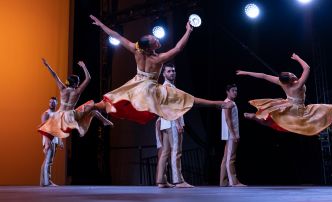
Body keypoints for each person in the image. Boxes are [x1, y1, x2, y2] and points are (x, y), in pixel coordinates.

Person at [89, 15, 233, 125]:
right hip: (149, 89)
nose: (157, 40)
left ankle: (91, 107)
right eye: (155, 42)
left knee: (114, 99)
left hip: (135, 85)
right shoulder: (158, 59)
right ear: (149, 48)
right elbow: (178, 48)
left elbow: (117, 36)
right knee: (185, 98)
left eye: (154, 38)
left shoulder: (136, 49)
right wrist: (188, 31)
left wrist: (101, 25)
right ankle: (217, 104)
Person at [236, 53, 332, 145]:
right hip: (298, 110)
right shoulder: (297, 85)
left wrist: (245, 72)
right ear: (289, 82)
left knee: (273, 121)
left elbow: (264, 76)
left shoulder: (282, 82)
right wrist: (297, 58)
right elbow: (307, 68)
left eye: (292, 74)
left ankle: (254, 117)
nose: (294, 75)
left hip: (287, 105)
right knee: (326, 116)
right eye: (292, 77)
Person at [38, 59, 113, 139]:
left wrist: (47, 66)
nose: (78, 84)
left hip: (60, 116)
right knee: (92, 108)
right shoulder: (77, 92)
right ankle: (101, 122)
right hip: (70, 116)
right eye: (78, 82)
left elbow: (55, 76)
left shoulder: (62, 89)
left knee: (92, 110)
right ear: (74, 84)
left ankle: (104, 121)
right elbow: (88, 78)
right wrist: (84, 66)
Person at [155, 64, 194, 188]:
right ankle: (178, 180)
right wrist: (178, 123)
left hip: (166, 123)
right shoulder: (168, 87)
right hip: (172, 123)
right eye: (169, 71)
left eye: (173, 71)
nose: (172, 73)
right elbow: (172, 107)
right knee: (176, 151)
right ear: (164, 74)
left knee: (165, 152)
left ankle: (161, 180)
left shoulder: (165, 87)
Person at [220, 84, 245, 187]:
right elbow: (228, 119)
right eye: (233, 90)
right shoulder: (228, 103)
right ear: (227, 91)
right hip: (231, 134)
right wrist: (234, 134)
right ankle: (233, 182)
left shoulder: (230, 103)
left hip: (230, 133)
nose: (235, 92)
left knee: (226, 157)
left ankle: (223, 182)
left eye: (236, 90)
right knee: (231, 158)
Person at [40, 97, 63, 187]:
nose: (51, 104)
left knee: (48, 160)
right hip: (49, 140)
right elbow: (44, 129)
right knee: (48, 161)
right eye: (50, 102)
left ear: (56, 103)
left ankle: (44, 181)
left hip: (55, 140)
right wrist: (46, 142)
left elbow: (58, 129)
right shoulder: (46, 114)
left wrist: (60, 141)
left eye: (53, 102)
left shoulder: (57, 114)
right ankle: (47, 182)